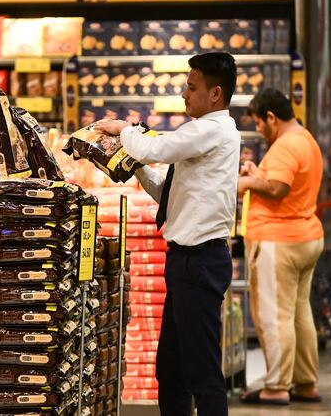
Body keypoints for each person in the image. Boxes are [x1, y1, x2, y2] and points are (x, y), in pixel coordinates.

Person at [96, 52, 240, 416]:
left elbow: (157, 147)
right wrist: (136, 169)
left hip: (201, 262)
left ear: (215, 94)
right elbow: (167, 193)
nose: (184, 94)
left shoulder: (213, 129)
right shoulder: (200, 135)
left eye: (192, 87)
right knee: (171, 370)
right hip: (184, 261)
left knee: (202, 374)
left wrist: (123, 130)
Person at [237, 89, 324, 406]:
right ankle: (305, 382)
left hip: (279, 240)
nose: (258, 128)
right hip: (305, 235)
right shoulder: (306, 139)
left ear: (271, 117)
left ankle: (275, 386)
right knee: (299, 313)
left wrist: (246, 183)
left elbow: (277, 188)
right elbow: (282, 184)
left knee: (274, 316)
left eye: (259, 122)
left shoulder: (286, 145)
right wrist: (258, 174)